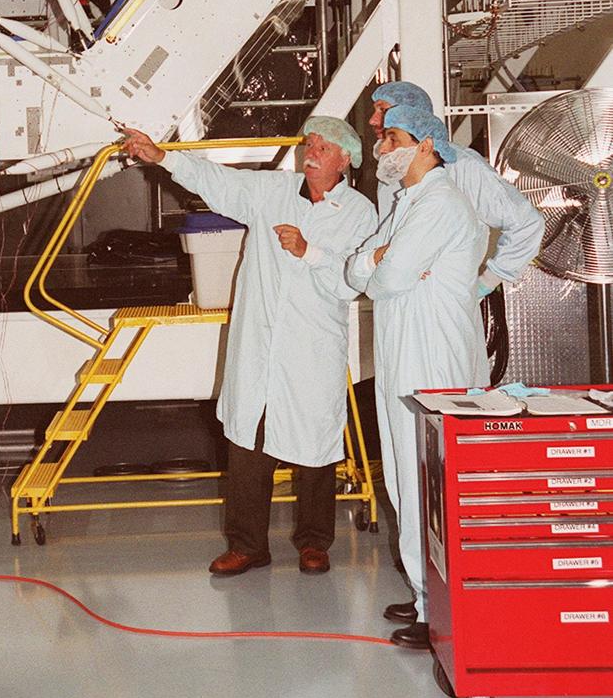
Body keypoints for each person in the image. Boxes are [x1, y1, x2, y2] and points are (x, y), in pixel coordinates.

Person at [122, 117, 376, 577]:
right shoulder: (272, 192)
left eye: (322, 146)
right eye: (308, 143)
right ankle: (247, 545)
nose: (310, 151)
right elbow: (215, 179)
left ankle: (314, 543)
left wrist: (308, 252)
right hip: (258, 342)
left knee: (316, 447)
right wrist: (162, 157)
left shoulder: (360, 212)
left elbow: (355, 280)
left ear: (344, 159)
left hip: (311, 346)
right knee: (247, 442)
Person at [347, 104, 489, 649]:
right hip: (402, 355)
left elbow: (383, 280)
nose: (382, 149)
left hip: (434, 358)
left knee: (429, 482)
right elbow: (359, 268)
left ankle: (444, 611)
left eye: (392, 138)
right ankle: (427, 597)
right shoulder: (407, 204)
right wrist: (379, 262)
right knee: (405, 477)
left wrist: (382, 266)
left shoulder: (441, 204)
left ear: (427, 144)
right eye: (382, 139)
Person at [368, 80, 543, 296]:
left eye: (382, 111)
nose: (373, 120)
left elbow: (526, 223)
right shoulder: (390, 172)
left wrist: (486, 282)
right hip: (402, 293)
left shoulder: (461, 165)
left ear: (412, 115)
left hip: (448, 297)